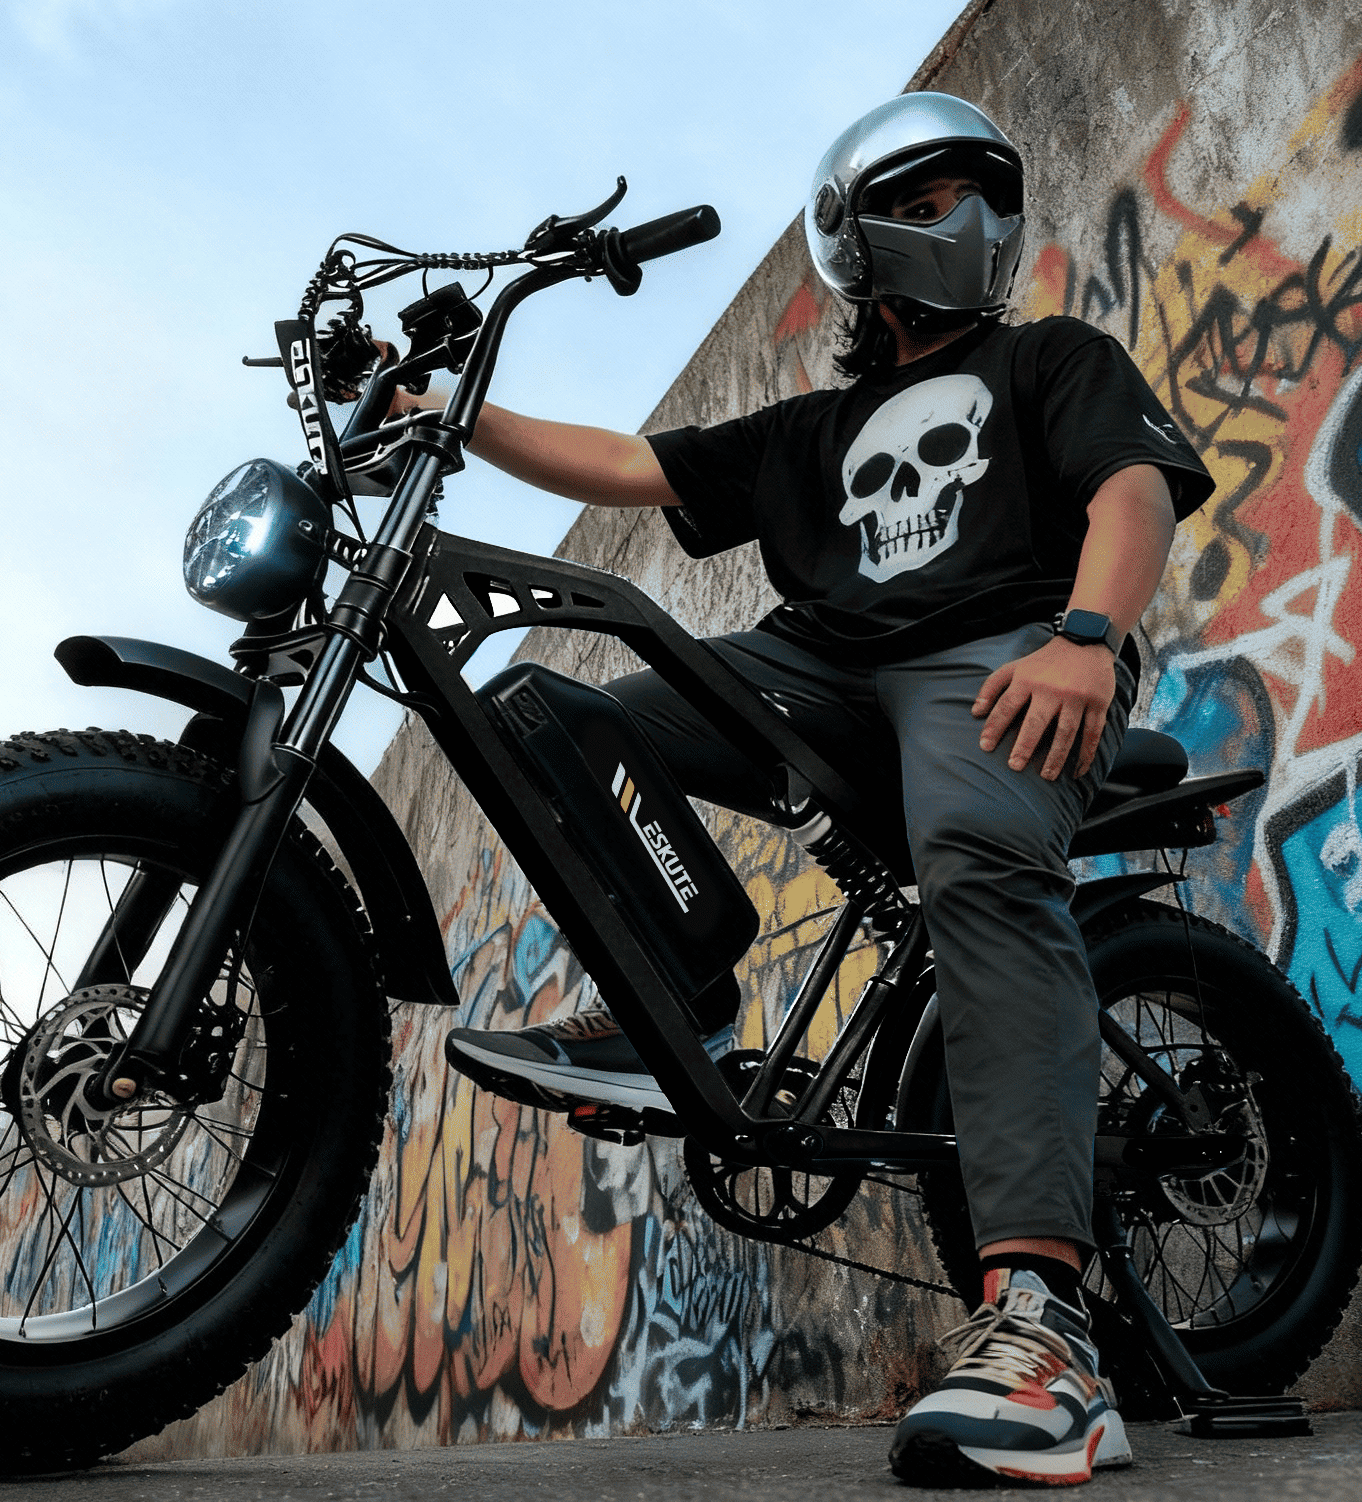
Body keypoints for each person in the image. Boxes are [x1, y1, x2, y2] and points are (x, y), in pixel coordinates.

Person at [417, 93, 1213, 1487]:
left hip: (1007, 648)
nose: (969, 221)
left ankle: (1047, 1329)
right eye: (933, 200)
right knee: (558, 719)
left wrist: (1090, 637)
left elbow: (1131, 492)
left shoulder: (1048, 359)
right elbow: (629, 464)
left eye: (981, 197)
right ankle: (682, 1005)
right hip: (817, 666)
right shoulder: (814, 427)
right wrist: (446, 410)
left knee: (977, 845)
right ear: (859, 235)